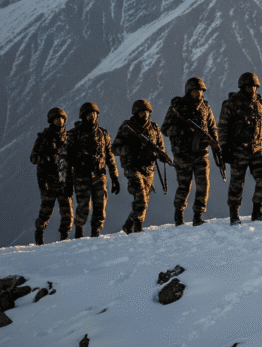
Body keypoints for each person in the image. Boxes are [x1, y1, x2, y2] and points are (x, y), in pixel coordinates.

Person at [162, 77, 221, 227]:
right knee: (185, 185)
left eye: (200, 91)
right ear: (189, 91)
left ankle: (198, 216)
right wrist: (183, 130)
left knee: (203, 185)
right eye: (195, 91)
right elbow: (165, 129)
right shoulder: (177, 108)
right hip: (183, 154)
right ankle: (179, 215)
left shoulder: (205, 107)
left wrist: (214, 142)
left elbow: (212, 127)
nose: (198, 93)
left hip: (201, 153)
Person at [219, 72, 262, 225]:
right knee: (237, 183)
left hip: (258, 149)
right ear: (242, 87)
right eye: (248, 86)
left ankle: (257, 212)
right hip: (238, 150)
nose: (252, 89)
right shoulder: (231, 103)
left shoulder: (261, 104)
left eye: (254, 86)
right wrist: (224, 148)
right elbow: (223, 126)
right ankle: (234, 215)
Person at [112, 100, 171, 234]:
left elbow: (161, 147)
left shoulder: (154, 128)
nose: (144, 114)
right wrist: (130, 148)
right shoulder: (127, 128)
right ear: (136, 113)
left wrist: (162, 156)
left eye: (146, 111)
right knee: (141, 200)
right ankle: (138, 230)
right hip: (132, 168)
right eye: (141, 112)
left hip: (149, 169)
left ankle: (128, 225)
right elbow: (114, 149)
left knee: (143, 204)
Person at [67, 102, 119, 238]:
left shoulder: (103, 134)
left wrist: (115, 177)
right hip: (81, 176)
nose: (92, 116)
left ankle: (96, 233)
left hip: (100, 175)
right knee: (84, 207)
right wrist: (66, 180)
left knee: (100, 207)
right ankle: (79, 232)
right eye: (89, 114)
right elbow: (66, 158)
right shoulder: (73, 135)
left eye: (94, 114)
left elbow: (110, 156)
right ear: (83, 116)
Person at [30, 107, 73, 245]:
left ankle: (64, 238)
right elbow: (33, 157)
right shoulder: (44, 137)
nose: (59, 121)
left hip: (64, 179)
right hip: (48, 180)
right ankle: (39, 232)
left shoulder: (69, 137)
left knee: (67, 211)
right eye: (56, 119)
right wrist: (47, 158)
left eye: (61, 118)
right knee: (47, 210)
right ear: (51, 121)